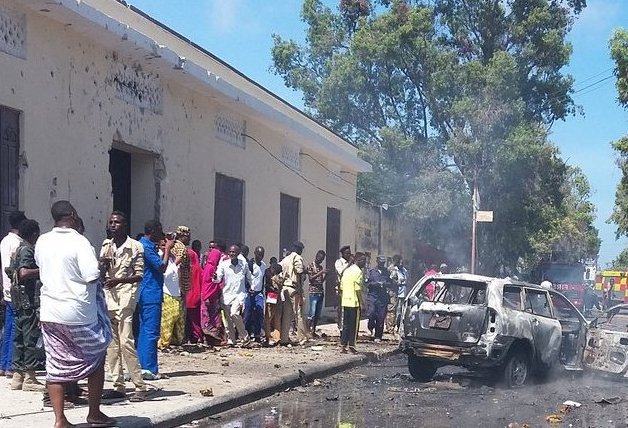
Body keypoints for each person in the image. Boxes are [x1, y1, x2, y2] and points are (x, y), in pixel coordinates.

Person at [35, 200, 114, 428]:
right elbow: (91, 275)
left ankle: (60, 420)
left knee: (55, 364)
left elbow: (42, 268)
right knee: (96, 358)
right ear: (72, 214)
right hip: (79, 312)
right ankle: (94, 413)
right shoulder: (80, 242)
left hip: (50, 312)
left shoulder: (43, 240)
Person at [99, 211, 146, 401]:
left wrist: (119, 280)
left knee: (126, 340)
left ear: (125, 225)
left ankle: (139, 386)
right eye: (111, 222)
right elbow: (102, 272)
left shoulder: (136, 246)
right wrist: (102, 265)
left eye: (117, 222)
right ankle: (118, 385)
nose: (113, 225)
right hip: (109, 296)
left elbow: (139, 274)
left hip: (127, 295)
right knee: (112, 343)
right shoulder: (106, 245)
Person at [7, 219, 45, 391]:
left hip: (19, 300)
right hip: (28, 300)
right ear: (34, 233)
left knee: (19, 337)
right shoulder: (28, 249)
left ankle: (17, 376)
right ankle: (29, 376)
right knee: (29, 337)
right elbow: (23, 272)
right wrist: (43, 269)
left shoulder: (17, 249)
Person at [137, 220, 174, 380]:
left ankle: (142, 366)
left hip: (144, 293)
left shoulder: (144, 245)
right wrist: (167, 249)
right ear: (153, 231)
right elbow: (161, 267)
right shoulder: (145, 246)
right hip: (150, 293)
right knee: (151, 332)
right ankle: (149, 368)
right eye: (159, 230)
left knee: (143, 332)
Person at [0, 210, 27, 378]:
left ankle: (3, 363)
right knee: (16, 329)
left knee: (8, 327)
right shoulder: (18, 244)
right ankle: (11, 364)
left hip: (7, 289)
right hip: (16, 290)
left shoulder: (4, 241)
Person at [214, 245, 251, 346]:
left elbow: (249, 277)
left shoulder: (243, 265)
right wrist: (215, 277)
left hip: (239, 295)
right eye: (230, 252)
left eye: (234, 252)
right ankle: (231, 339)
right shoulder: (224, 264)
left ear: (238, 253)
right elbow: (218, 278)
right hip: (226, 295)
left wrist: (252, 287)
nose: (231, 254)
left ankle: (245, 336)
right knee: (229, 319)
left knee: (234, 314)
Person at [279, 241, 309, 345]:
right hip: (295, 288)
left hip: (286, 289)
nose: (301, 251)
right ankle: (302, 339)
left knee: (287, 314)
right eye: (301, 249)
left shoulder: (285, 259)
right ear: (298, 249)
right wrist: (300, 290)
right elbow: (299, 273)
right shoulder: (297, 257)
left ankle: (284, 339)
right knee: (299, 314)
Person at [158, 239, 185, 350]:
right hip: (166, 292)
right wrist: (167, 250)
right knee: (168, 320)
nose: (165, 247)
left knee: (177, 317)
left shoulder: (172, 257)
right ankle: (163, 343)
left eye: (167, 245)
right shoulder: (159, 256)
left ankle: (175, 340)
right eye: (163, 245)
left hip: (176, 292)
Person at [201, 239, 226, 345]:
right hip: (208, 297)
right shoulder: (210, 268)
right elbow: (208, 284)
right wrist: (208, 296)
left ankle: (213, 340)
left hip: (212, 296)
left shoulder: (212, 267)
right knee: (209, 318)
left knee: (214, 318)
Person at [340, 252, 366, 353]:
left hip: (345, 301)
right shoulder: (358, 272)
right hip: (354, 302)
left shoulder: (347, 271)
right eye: (363, 260)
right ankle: (352, 345)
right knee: (354, 326)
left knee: (345, 324)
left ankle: (343, 346)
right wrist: (362, 303)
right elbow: (357, 288)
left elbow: (341, 286)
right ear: (358, 260)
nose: (364, 263)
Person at [244, 246, 267, 342]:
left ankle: (257, 334)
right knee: (248, 314)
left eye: (262, 255)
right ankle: (247, 333)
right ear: (254, 253)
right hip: (250, 293)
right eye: (258, 254)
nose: (260, 256)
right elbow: (246, 278)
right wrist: (248, 288)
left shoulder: (263, 265)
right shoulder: (250, 264)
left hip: (259, 293)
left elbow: (263, 279)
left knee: (260, 312)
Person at [366, 255, 390, 343]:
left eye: (383, 262)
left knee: (381, 317)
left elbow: (390, 283)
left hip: (382, 298)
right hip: (372, 296)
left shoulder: (387, 272)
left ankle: (378, 335)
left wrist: (384, 284)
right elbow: (367, 284)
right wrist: (376, 284)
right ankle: (370, 326)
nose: (382, 264)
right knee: (371, 313)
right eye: (380, 262)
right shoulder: (371, 272)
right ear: (377, 261)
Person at [186, 239, 204, 344]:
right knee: (195, 320)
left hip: (189, 297)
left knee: (190, 320)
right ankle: (197, 337)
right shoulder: (199, 268)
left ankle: (194, 337)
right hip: (196, 297)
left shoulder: (187, 269)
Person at [306, 250, 327, 337]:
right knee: (312, 313)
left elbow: (321, 281)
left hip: (320, 292)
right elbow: (311, 278)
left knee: (317, 314)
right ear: (316, 256)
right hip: (313, 292)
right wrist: (321, 273)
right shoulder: (311, 266)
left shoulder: (320, 267)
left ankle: (313, 331)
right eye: (319, 258)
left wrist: (326, 275)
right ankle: (307, 332)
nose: (320, 260)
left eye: (322, 259)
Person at [264, 263, 284, 346]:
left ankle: (268, 337)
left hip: (272, 298)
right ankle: (277, 337)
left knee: (268, 319)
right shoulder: (281, 278)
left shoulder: (274, 278)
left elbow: (271, 287)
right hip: (278, 300)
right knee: (277, 320)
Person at [388, 255, 408, 332]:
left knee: (401, 311)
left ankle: (398, 326)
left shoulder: (404, 270)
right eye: (399, 261)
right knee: (392, 309)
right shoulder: (392, 269)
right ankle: (390, 327)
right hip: (394, 292)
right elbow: (391, 280)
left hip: (403, 293)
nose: (401, 263)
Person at [334, 245, 352, 330]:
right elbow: (341, 272)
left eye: (349, 253)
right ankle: (341, 327)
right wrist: (349, 264)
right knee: (342, 310)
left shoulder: (351, 263)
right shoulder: (339, 262)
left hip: (350, 289)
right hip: (341, 289)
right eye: (347, 253)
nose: (349, 255)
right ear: (343, 254)